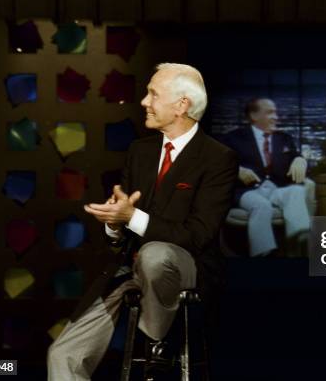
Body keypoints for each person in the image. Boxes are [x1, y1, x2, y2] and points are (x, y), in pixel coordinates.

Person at [47, 63, 238, 380]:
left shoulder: (218, 158)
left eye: (153, 94)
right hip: (130, 269)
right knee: (63, 355)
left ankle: (157, 341)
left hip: (186, 265)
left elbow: (198, 235)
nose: (144, 102)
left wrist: (132, 216)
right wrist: (114, 222)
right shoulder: (140, 151)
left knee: (155, 255)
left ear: (182, 105)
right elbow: (120, 237)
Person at [222, 98, 310, 257]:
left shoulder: (284, 138)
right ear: (254, 115)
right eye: (270, 112)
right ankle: (264, 255)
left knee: (297, 191)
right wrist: (236, 169)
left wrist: (300, 160)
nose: (276, 117)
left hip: (276, 189)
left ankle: (299, 248)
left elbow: (295, 155)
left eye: (276, 112)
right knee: (262, 206)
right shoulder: (232, 138)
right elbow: (214, 164)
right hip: (247, 191)